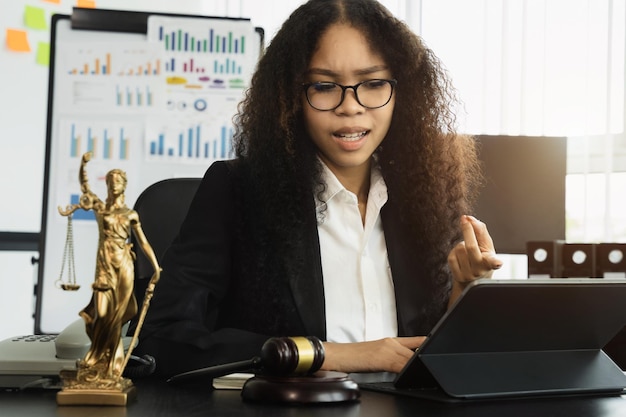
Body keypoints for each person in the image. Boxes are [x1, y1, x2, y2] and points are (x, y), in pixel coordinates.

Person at [135, 0, 502, 378]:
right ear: (290, 97)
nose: (350, 107)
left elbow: (429, 362)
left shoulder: (423, 198)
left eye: (374, 84)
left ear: (402, 92)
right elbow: (161, 343)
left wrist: (466, 292)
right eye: (325, 86)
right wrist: (329, 354)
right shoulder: (236, 192)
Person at [59, 152, 161, 386]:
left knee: (117, 318)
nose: (114, 184)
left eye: (118, 181)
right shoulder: (101, 210)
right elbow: (85, 188)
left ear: (123, 185)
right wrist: (83, 165)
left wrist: (155, 267)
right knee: (102, 314)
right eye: (110, 180)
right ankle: (96, 359)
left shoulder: (130, 214)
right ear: (106, 184)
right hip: (104, 268)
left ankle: (113, 368)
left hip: (124, 266)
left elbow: (142, 241)